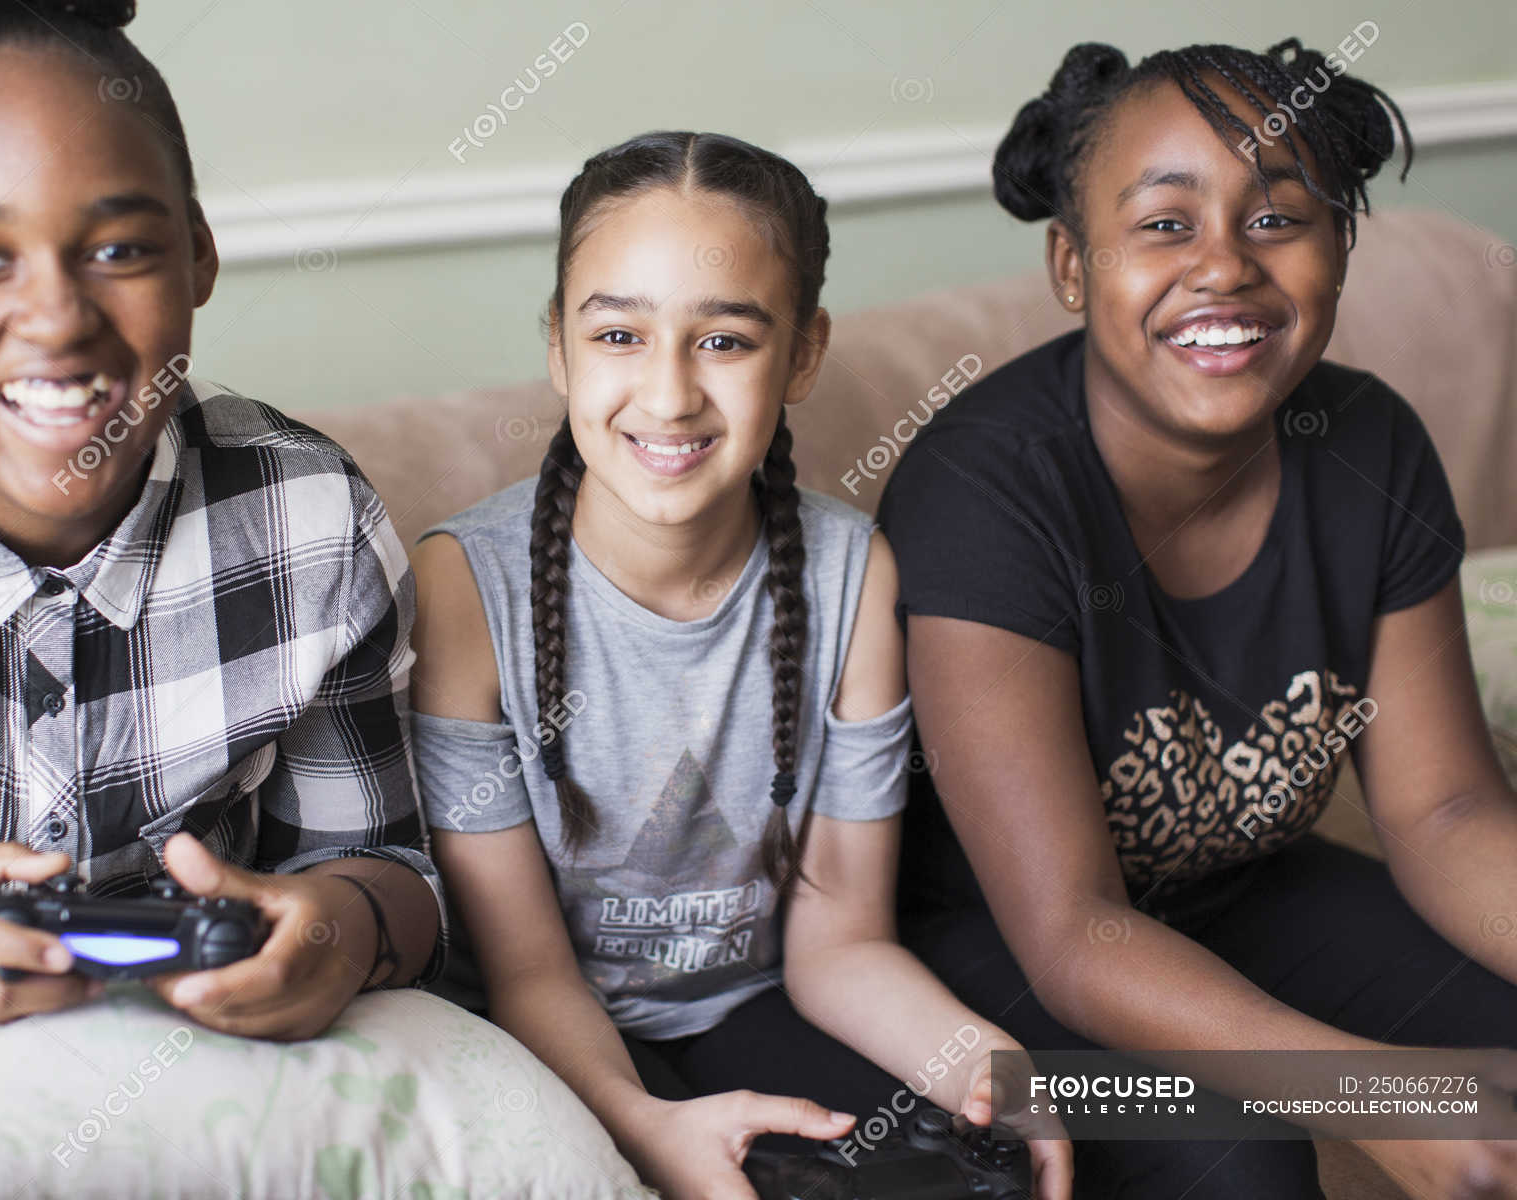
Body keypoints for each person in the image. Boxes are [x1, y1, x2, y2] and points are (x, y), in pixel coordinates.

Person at [0, 0, 442, 1042]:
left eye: (119, 250)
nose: (58, 320)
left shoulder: (310, 522)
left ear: (197, 255)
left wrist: (337, 929)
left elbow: (390, 875)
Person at [881, 38, 1517, 1196]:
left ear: (1341, 249)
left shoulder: (1369, 443)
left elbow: (1446, 810)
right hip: (976, 961)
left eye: (1279, 218)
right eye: (1166, 225)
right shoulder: (985, 488)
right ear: (1073, 266)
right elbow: (1073, 929)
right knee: (1232, 1156)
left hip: (1246, 896)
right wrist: (1379, 1095)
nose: (1224, 267)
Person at [410, 130, 1069, 1200]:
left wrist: (988, 1074)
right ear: (559, 349)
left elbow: (840, 945)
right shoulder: (461, 590)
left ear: (804, 353)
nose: (668, 397)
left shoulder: (856, 576)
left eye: (724, 342)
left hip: (757, 1002)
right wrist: (645, 1126)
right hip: (535, 1031)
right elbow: (528, 973)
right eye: (619, 334)